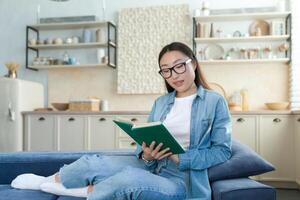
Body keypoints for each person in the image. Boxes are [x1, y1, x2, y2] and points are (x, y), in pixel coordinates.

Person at [11, 42, 232, 200]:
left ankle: (72, 191)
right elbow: (146, 139)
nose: (174, 75)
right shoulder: (161, 102)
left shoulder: (215, 102)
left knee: (130, 179)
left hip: (183, 180)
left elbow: (222, 151)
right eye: (166, 71)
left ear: (193, 63)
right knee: (93, 162)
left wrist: (179, 156)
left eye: (179, 66)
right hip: (152, 165)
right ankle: (47, 180)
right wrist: (146, 154)